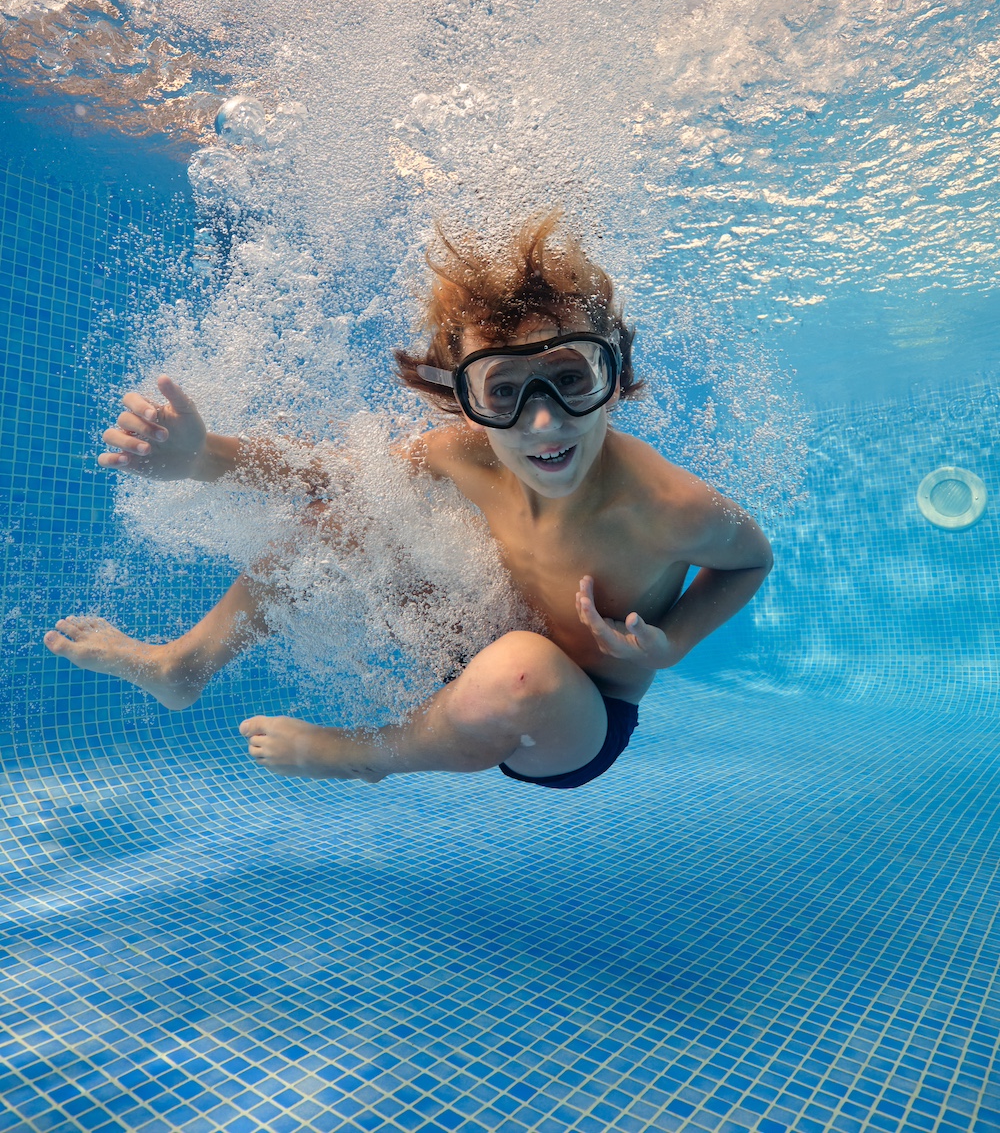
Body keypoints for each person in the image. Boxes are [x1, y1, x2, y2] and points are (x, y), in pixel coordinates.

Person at [44, 212, 773, 789]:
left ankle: (366, 755)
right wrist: (201, 458)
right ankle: (186, 664)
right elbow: (330, 474)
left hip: (571, 721)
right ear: (463, 401)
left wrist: (671, 643)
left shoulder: (669, 505)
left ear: (612, 375)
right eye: (506, 391)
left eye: (568, 379)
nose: (543, 422)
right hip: (472, 652)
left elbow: (750, 560)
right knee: (352, 515)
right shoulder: (465, 455)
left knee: (523, 667)